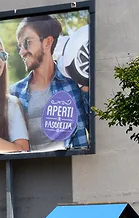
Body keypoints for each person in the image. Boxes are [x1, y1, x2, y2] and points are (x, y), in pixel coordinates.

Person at [11, 15, 90, 151]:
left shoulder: (74, 84)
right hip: (30, 170)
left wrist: (84, 84)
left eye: (27, 43)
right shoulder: (15, 93)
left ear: (47, 43)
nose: (22, 52)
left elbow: (98, 129)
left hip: (76, 168)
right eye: (20, 46)